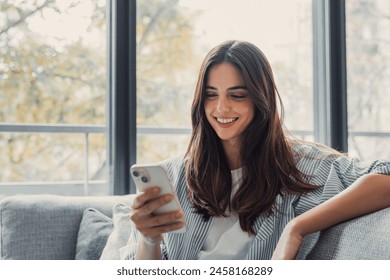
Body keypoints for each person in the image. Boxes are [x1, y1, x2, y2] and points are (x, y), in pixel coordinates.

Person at [126, 40, 390, 260]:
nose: (221, 108)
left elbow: (385, 176)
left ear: (260, 99)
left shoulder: (300, 166)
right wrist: (149, 239)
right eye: (211, 94)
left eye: (237, 95)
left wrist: (296, 228)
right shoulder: (174, 176)